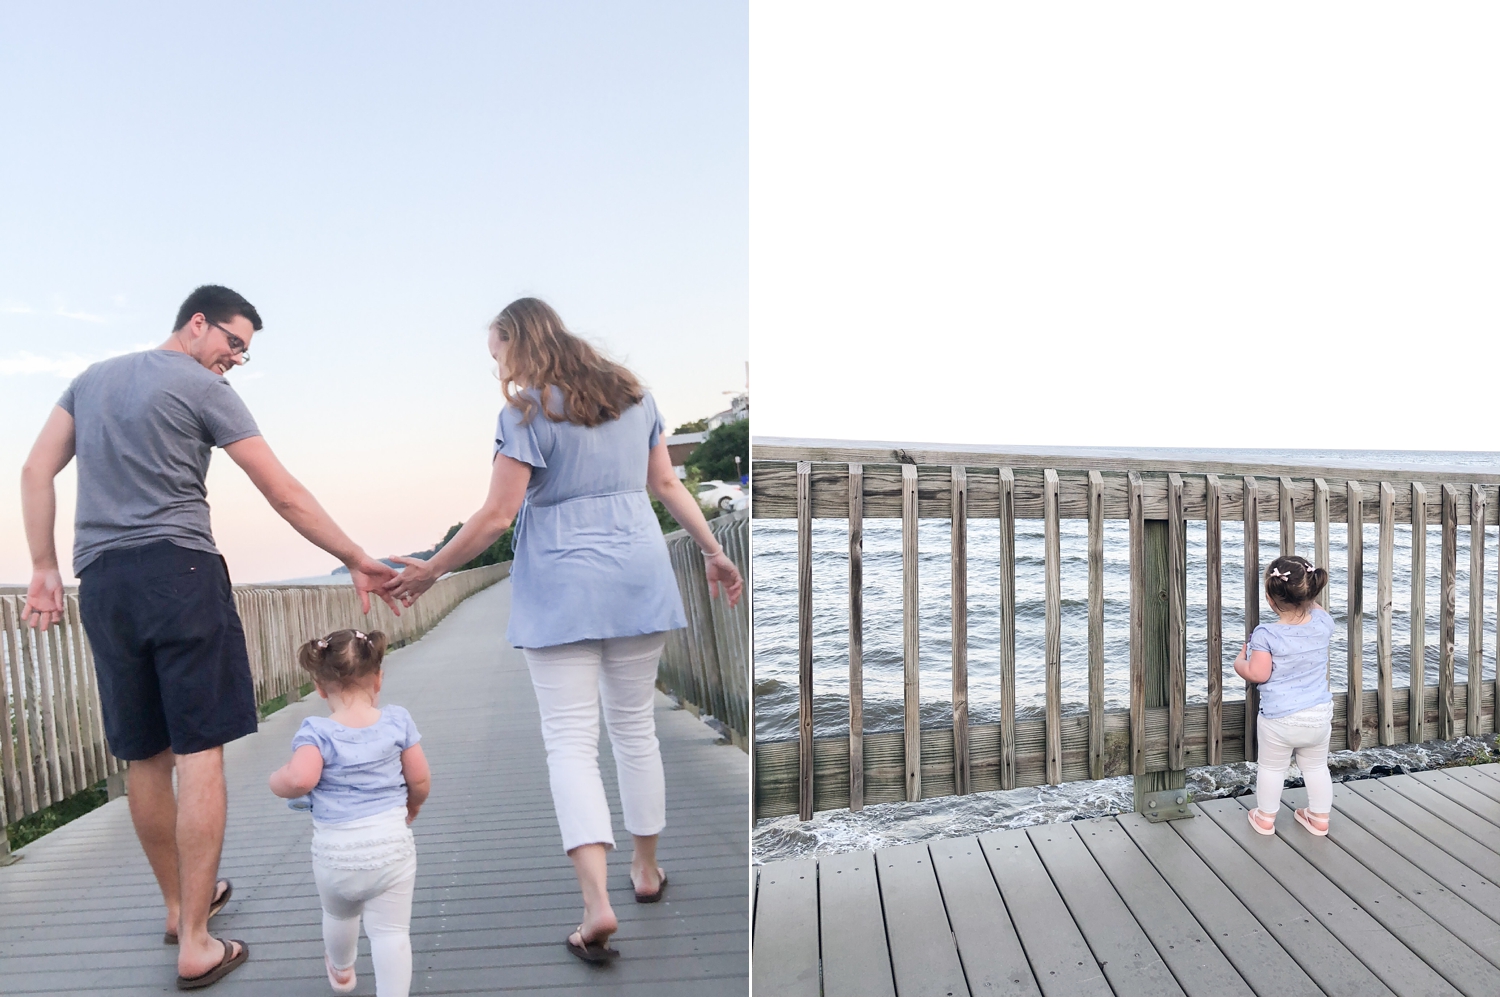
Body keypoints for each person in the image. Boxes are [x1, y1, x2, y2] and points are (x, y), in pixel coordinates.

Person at [19, 285, 399, 989]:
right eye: (233, 342)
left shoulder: (89, 380)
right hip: (181, 570)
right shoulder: (199, 385)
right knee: (198, 752)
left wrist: (43, 565)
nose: (235, 358)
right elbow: (281, 490)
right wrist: (352, 554)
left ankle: (175, 908)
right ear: (197, 323)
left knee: (143, 752)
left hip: (101, 581)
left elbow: (36, 468)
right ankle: (197, 938)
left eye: (244, 353)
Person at [384, 297, 743, 963]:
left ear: (518, 346)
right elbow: (665, 482)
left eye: (499, 355)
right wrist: (713, 550)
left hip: (562, 583)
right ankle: (644, 870)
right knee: (634, 728)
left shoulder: (524, 413)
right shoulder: (635, 398)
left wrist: (431, 570)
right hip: (636, 569)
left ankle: (595, 904)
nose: (500, 370)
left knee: (570, 744)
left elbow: (497, 515)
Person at [269, 629, 429, 997]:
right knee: (391, 934)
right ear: (378, 678)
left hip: (337, 854)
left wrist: (276, 780)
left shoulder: (318, 731)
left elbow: (300, 778)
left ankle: (342, 971)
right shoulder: (397, 721)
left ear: (320, 688)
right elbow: (420, 779)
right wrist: (413, 804)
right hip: (392, 847)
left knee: (339, 915)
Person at [1233, 555, 1334, 837]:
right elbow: (1314, 608)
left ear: (1269, 598)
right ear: (1311, 592)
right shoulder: (1323, 622)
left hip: (1280, 719)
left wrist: (1239, 663)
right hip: (1318, 715)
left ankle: (1265, 818)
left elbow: (1258, 674)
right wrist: (1308, 598)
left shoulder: (1266, 634)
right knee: (1315, 767)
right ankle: (1319, 818)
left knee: (1272, 769)